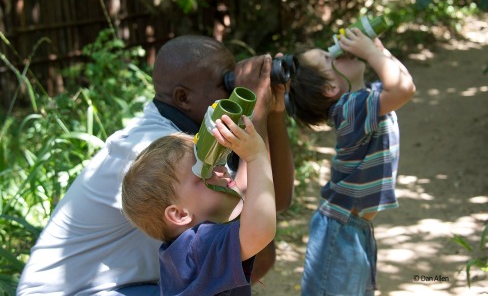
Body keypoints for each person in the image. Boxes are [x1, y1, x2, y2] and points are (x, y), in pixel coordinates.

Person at [17, 35, 295, 295]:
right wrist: (253, 121)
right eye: (227, 83)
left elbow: (275, 199)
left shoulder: (189, 149)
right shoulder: (161, 154)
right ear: (183, 98)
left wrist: (272, 111)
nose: (236, 90)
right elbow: (256, 237)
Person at [289, 28, 416, 295]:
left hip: (355, 227)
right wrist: (371, 53)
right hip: (340, 228)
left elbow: (403, 81)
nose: (336, 49)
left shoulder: (369, 97)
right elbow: (405, 89)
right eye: (328, 56)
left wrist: (380, 51)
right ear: (330, 88)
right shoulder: (349, 109)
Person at [122, 112, 275, 295]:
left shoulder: (180, 253)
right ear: (179, 214)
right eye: (204, 172)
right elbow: (259, 231)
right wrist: (256, 156)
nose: (221, 170)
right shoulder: (198, 247)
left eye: (213, 163)